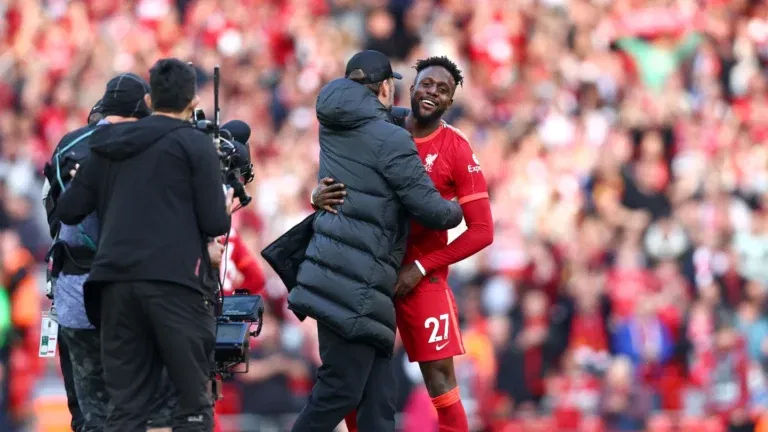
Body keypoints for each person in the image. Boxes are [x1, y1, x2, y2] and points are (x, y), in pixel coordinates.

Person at [312, 56, 494, 432]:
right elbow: (340, 172)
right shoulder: (381, 123)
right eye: (426, 84)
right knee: (357, 380)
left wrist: (423, 267)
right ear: (409, 88)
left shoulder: (457, 148)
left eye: (442, 90)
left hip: (421, 278)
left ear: (450, 102)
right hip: (369, 272)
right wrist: (316, 195)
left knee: (441, 383)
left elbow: (482, 231)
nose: (432, 92)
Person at [56, 58, 232, 432]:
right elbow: (215, 222)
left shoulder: (107, 144)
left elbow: (68, 210)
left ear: (151, 99)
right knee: (192, 405)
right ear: (193, 101)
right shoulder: (195, 143)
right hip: (174, 285)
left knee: (126, 408)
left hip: (113, 288)